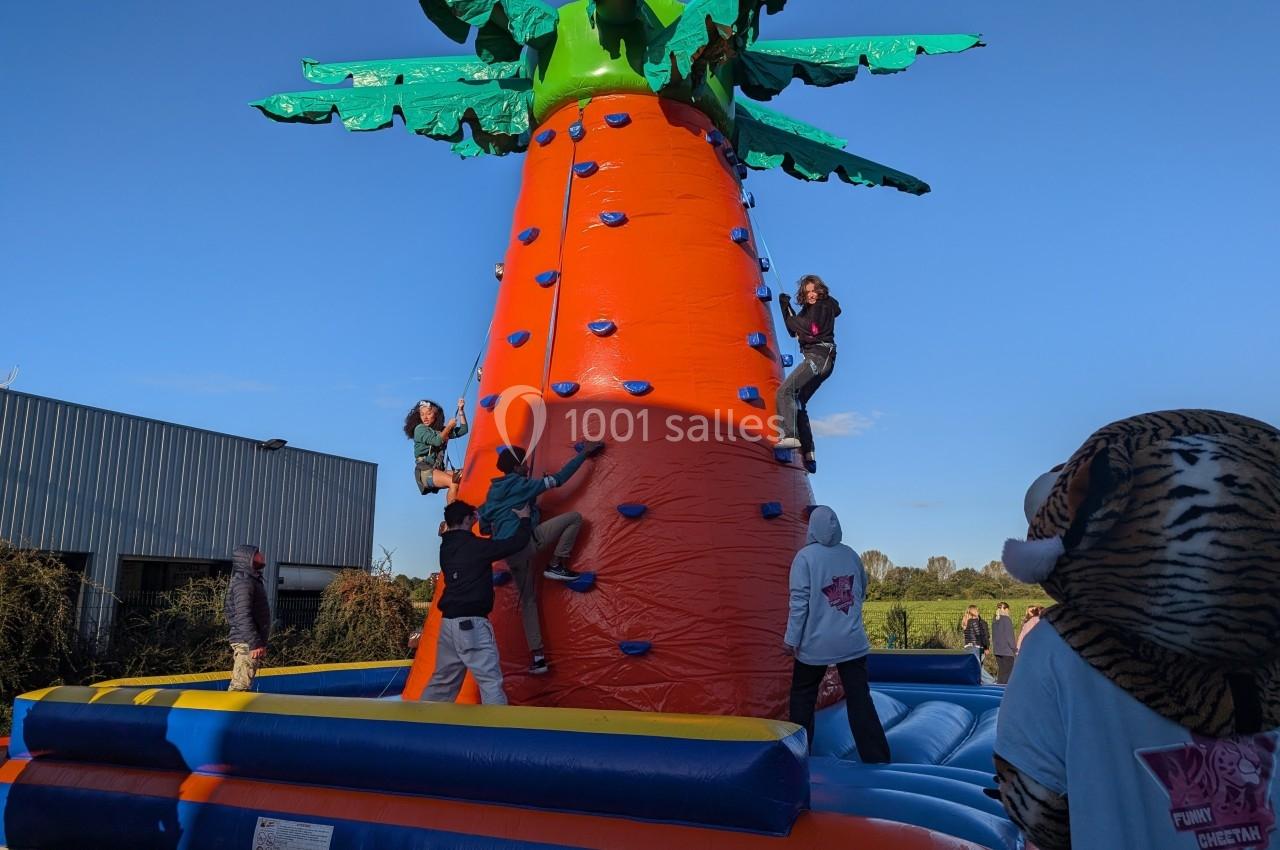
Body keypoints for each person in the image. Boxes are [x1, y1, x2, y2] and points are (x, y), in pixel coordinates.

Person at [478, 441, 605, 674]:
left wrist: (507, 518)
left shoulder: (492, 494)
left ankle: (538, 658)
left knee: (528, 601)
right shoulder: (521, 484)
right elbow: (559, 479)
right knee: (574, 518)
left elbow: (484, 527)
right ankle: (557, 563)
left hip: (510, 555)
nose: (527, 466)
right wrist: (584, 455)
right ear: (516, 468)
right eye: (524, 463)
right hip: (527, 542)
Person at [784, 505, 891, 762]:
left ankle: (798, 755)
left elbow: (799, 602)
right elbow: (861, 591)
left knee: (803, 695)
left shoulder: (805, 558)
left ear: (812, 527)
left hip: (816, 642)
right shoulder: (850, 555)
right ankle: (876, 755)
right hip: (852, 640)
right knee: (859, 699)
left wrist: (791, 639)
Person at [421, 500, 534, 705]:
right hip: (471, 624)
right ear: (466, 520)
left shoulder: (446, 548)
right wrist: (525, 519)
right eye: (471, 517)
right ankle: (498, 732)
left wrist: (476, 520)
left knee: (443, 682)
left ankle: (420, 726)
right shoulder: (475, 547)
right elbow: (515, 544)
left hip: (448, 623)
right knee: (490, 682)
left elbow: (475, 546)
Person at [775, 274, 841, 474]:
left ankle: (789, 435)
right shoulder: (811, 311)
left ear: (821, 291)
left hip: (818, 359)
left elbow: (810, 328)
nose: (812, 295)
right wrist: (785, 308)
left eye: (814, 290)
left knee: (784, 393)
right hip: (822, 362)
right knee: (799, 402)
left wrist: (792, 315)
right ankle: (809, 452)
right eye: (807, 292)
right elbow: (794, 330)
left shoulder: (823, 306)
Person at [225, 544, 270, 692]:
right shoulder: (244, 581)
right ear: (248, 558)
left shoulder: (251, 579)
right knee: (240, 686)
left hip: (249, 641)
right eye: (257, 554)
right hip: (246, 642)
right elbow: (243, 614)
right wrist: (254, 643)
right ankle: (233, 714)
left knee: (243, 684)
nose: (262, 556)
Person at [405, 398, 468, 503]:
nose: (425, 417)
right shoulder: (420, 429)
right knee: (453, 483)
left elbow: (463, 430)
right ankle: (453, 515)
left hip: (438, 470)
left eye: (429, 414)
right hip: (426, 471)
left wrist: (461, 411)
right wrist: (448, 428)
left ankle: (463, 507)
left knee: (464, 474)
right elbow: (437, 441)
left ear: (436, 415)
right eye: (422, 414)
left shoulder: (439, 431)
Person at [992, 602, 1017, 684]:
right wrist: (1014, 649)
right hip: (1007, 651)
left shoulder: (995, 620)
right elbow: (1010, 637)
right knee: (1008, 675)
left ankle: (998, 693)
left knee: (1001, 673)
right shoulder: (1007, 620)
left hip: (997, 650)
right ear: (1006, 609)